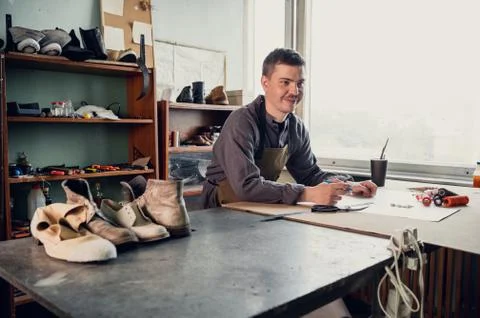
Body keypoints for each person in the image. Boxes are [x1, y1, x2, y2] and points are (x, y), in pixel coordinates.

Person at [201, 48, 377, 209]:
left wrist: (348, 186)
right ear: (265, 83)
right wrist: (308, 193)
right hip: (220, 212)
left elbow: (310, 175)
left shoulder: (297, 128)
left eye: (300, 83)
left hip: (259, 207)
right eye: (285, 82)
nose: (294, 91)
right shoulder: (241, 122)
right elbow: (246, 186)